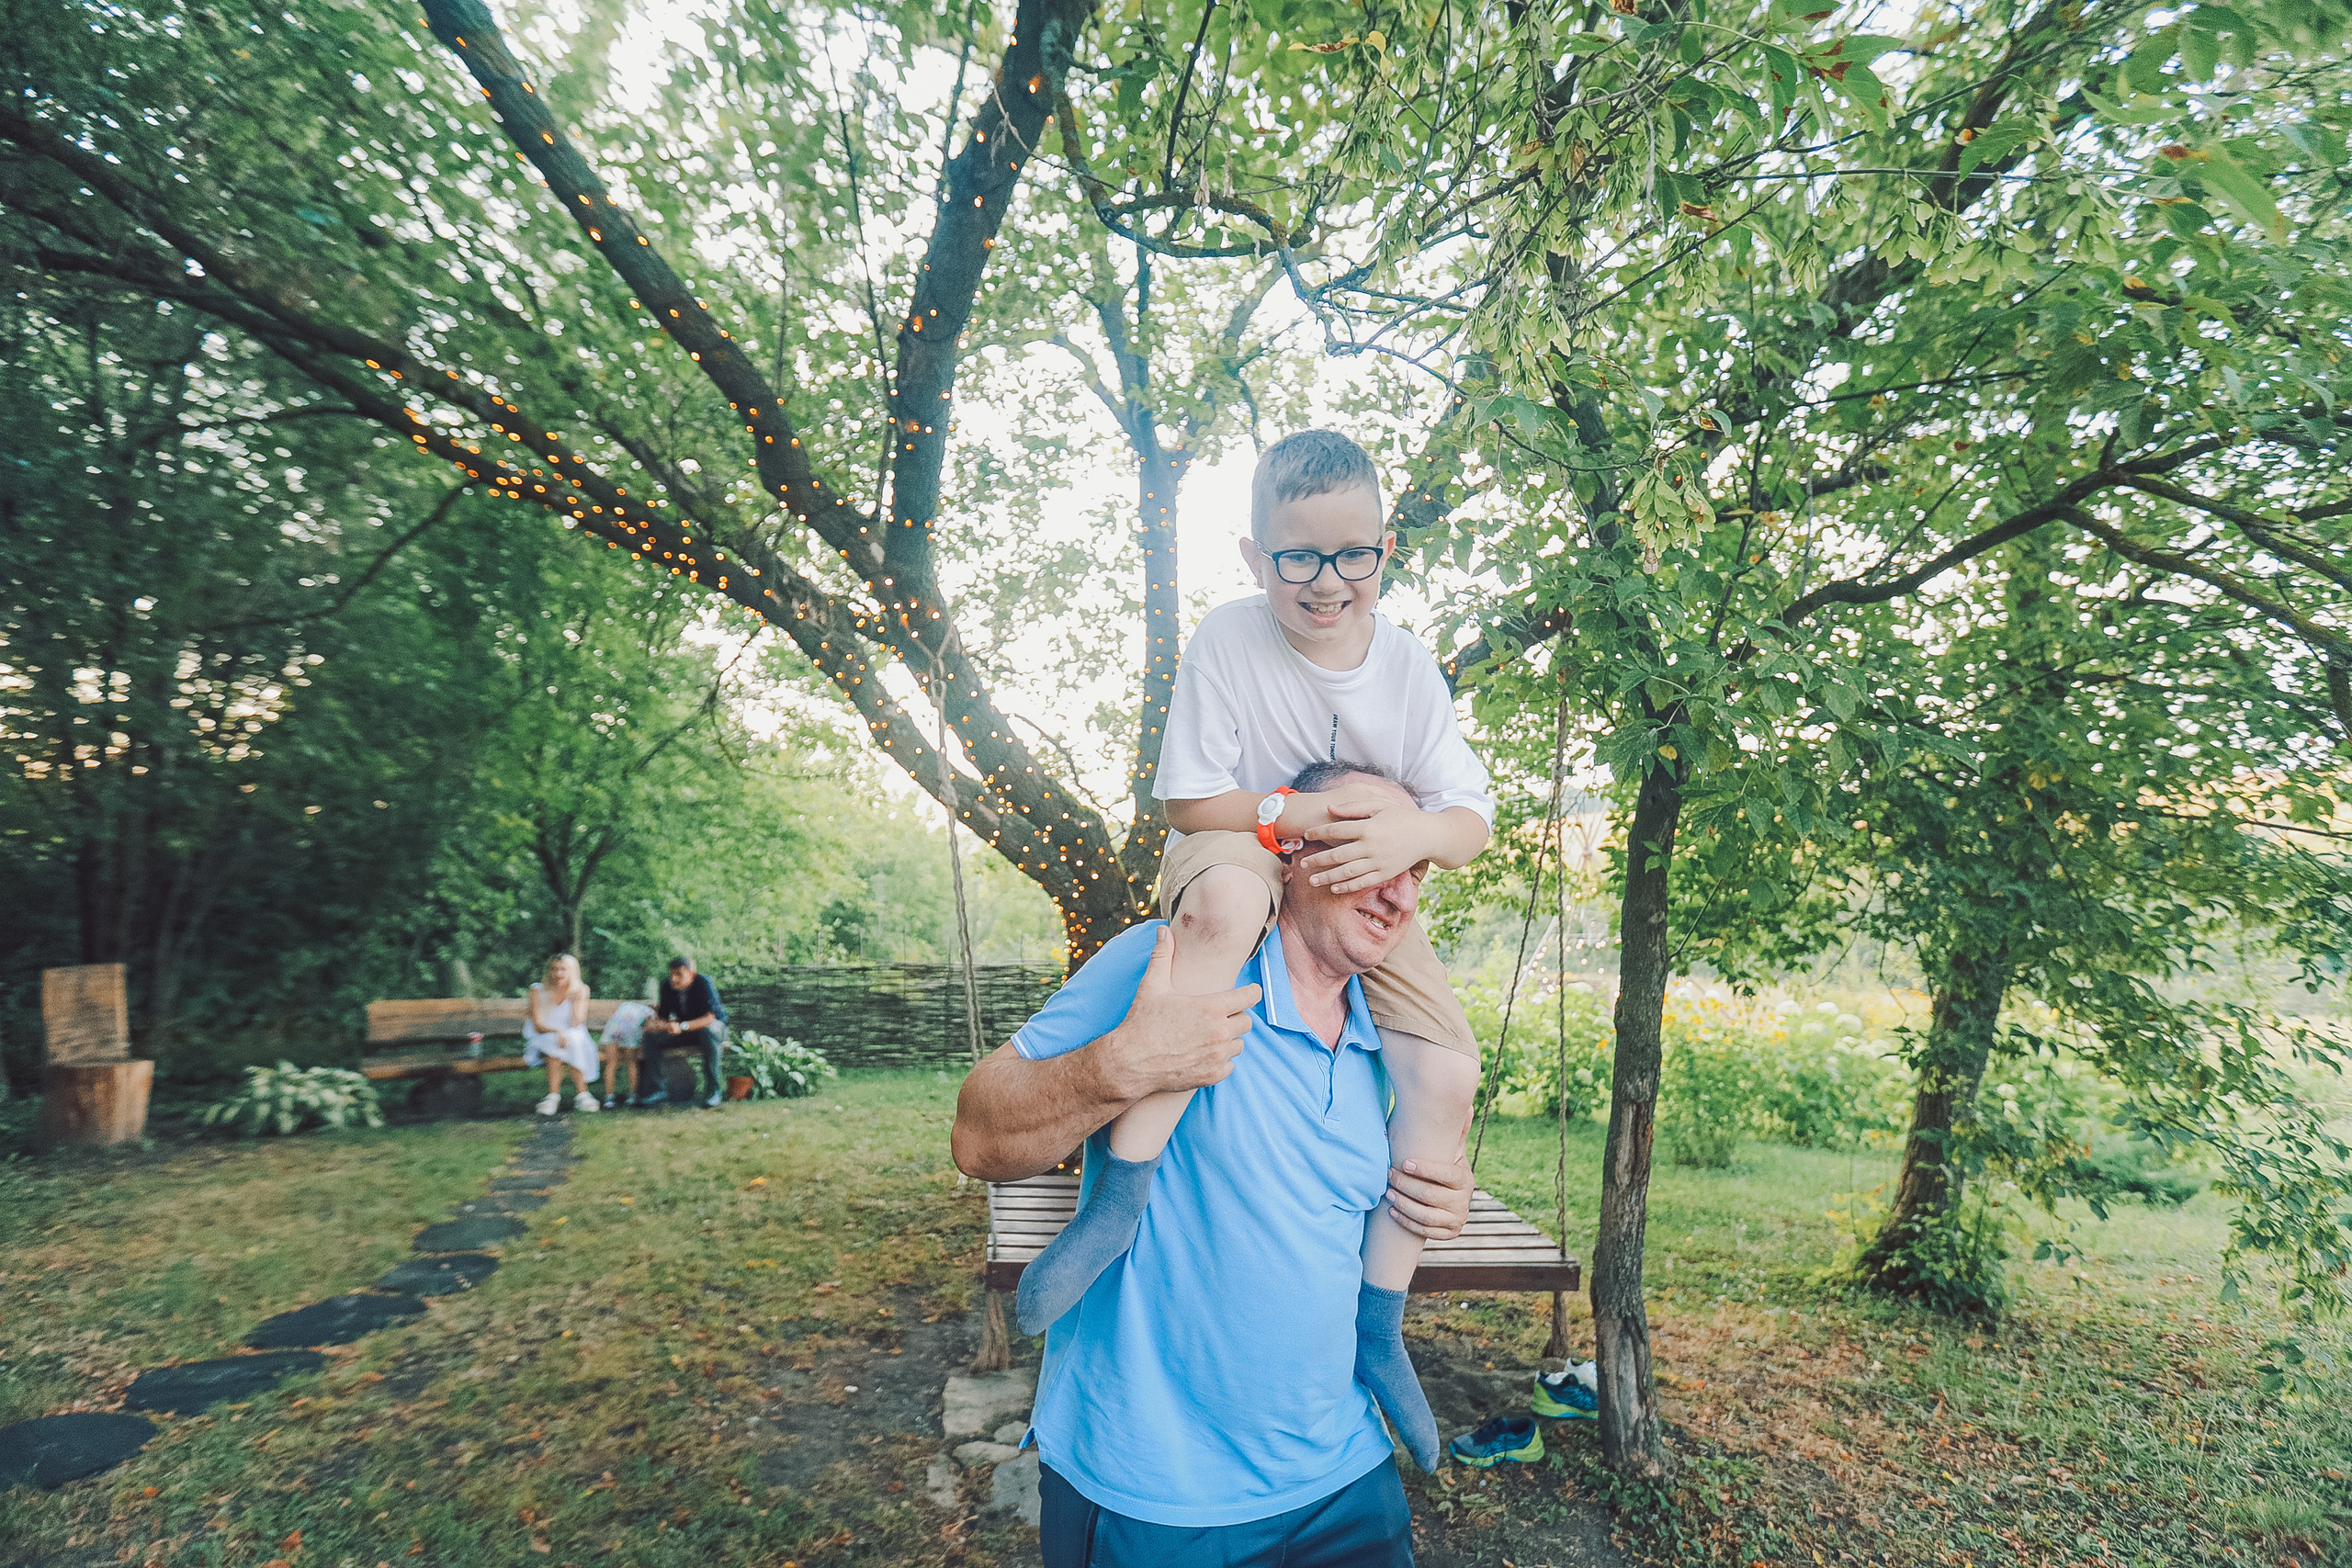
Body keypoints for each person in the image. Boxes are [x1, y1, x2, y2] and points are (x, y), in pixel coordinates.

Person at [1012, 431, 1491, 1470]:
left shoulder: (1405, 667)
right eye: (1298, 559)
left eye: (1352, 555)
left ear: (1385, 549)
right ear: (1253, 556)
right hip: (1249, 836)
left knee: (1450, 1066)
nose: (1327, 583)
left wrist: (1407, 837)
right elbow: (1187, 798)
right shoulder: (1229, 639)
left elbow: (1469, 820)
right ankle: (1117, 1206)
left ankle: (1379, 1320)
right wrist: (1290, 822)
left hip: (1362, 853)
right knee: (1226, 917)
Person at [953, 761, 1476, 1567]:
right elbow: (977, 1135)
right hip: (1155, 1492)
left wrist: (1442, 1195)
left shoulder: (1394, 1039)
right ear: (1293, 851)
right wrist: (1118, 1064)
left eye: (1413, 871)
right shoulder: (1171, 961)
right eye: (1370, 857)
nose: (1399, 892)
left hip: (1344, 1476)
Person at [640, 955, 727, 1108]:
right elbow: (664, 1017)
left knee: (709, 1031)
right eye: (671, 974)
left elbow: (709, 1018)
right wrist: (656, 1025)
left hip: (712, 1029)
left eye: (679, 974)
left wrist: (682, 1026)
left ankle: (713, 1091)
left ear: (691, 974)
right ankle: (659, 1090)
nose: (674, 979)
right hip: (686, 1031)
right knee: (651, 1037)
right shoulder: (667, 986)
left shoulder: (703, 983)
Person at [524, 953, 600, 1117]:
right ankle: (554, 1096)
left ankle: (580, 1095)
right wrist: (558, 1032)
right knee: (554, 1043)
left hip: (572, 1035)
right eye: (554, 969)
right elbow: (537, 1025)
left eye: (563, 970)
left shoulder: (580, 990)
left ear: (572, 971)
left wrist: (575, 1000)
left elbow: (576, 1022)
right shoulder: (537, 990)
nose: (558, 974)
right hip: (542, 1035)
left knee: (571, 1041)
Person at [597, 999, 655, 1110]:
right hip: (631, 1028)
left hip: (613, 1027)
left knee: (611, 1063)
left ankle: (609, 1098)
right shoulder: (650, 1012)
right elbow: (650, 1026)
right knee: (632, 1063)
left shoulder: (626, 1006)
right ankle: (632, 1096)